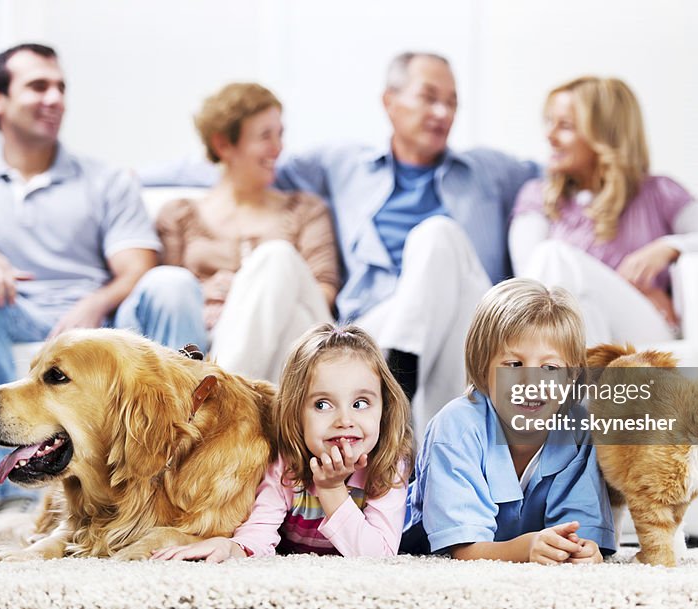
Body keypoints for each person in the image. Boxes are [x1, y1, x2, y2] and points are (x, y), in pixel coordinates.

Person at [139, 52, 539, 430]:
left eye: (452, 102)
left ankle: (397, 384)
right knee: (277, 257)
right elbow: (239, 158)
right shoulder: (345, 166)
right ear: (390, 101)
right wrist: (120, 177)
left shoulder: (490, 170)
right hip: (369, 326)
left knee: (436, 234)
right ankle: (221, 407)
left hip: (461, 321)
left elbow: (562, 170)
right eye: (429, 98)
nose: (443, 112)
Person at [0, 43, 205, 514]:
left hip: (96, 325)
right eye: (38, 86)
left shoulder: (103, 180)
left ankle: (178, 473)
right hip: (18, 312)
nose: (55, 97)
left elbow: (138, 264)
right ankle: (12, 503)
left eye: (61, 87)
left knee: (172, 283)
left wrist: (97, 304)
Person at [510, 76, 698, 346]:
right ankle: (571, 386)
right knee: (555, 266)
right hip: (571, 331)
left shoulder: (659, 193)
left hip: (643, 324)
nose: (549, 136)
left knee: (555, 257)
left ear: (603, 134)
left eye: (565, 126)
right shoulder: (538, 196)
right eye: (549, 122)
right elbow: (528, 287)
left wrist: (666, 248)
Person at [151, 323, 414, 560]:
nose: (345, 420)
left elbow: (379, 556)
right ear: (296, 413)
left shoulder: (388, 467)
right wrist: (232, 547)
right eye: (322, 404)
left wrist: (332, 490)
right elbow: (259, 531)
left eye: (360, 403)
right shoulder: (286, 465)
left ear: (384, 408)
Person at [403, 278, 614, 563]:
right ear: (482, 366)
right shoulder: (456, 427)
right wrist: (528, 548)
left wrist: (585, 551)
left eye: (550, 367)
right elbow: (465, 550)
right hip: (426, 545)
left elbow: (580, 533)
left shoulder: (577, 430)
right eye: (514, 365)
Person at [156, 83, 339, 382]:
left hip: (306, 342)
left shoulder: (306, 209)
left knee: (276, 257)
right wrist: (202, 294)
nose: (278, 148)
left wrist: (250, 294)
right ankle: (236, 402)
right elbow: (167, 302)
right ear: (223, 145)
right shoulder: (179, 214)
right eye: (265, 136)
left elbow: (324, 290)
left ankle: (219, 399)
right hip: (217, 339)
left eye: (280, 134)